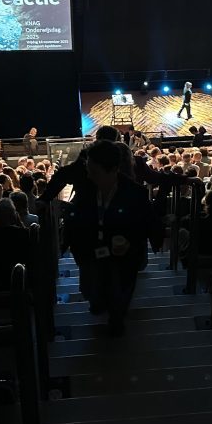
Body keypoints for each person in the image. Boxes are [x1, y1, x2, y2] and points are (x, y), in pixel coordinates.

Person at [65, 140, 150, 335]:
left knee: (120, 288)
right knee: (91, 288)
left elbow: (145, 224)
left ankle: (116, 320)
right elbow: (75, 222)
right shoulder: (85, 190)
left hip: (123, 255)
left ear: (112, 169)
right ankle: (99, 303)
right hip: (92, 252)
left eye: (94, 171)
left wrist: (130, 241)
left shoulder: (135, 193)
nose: (88, 174)